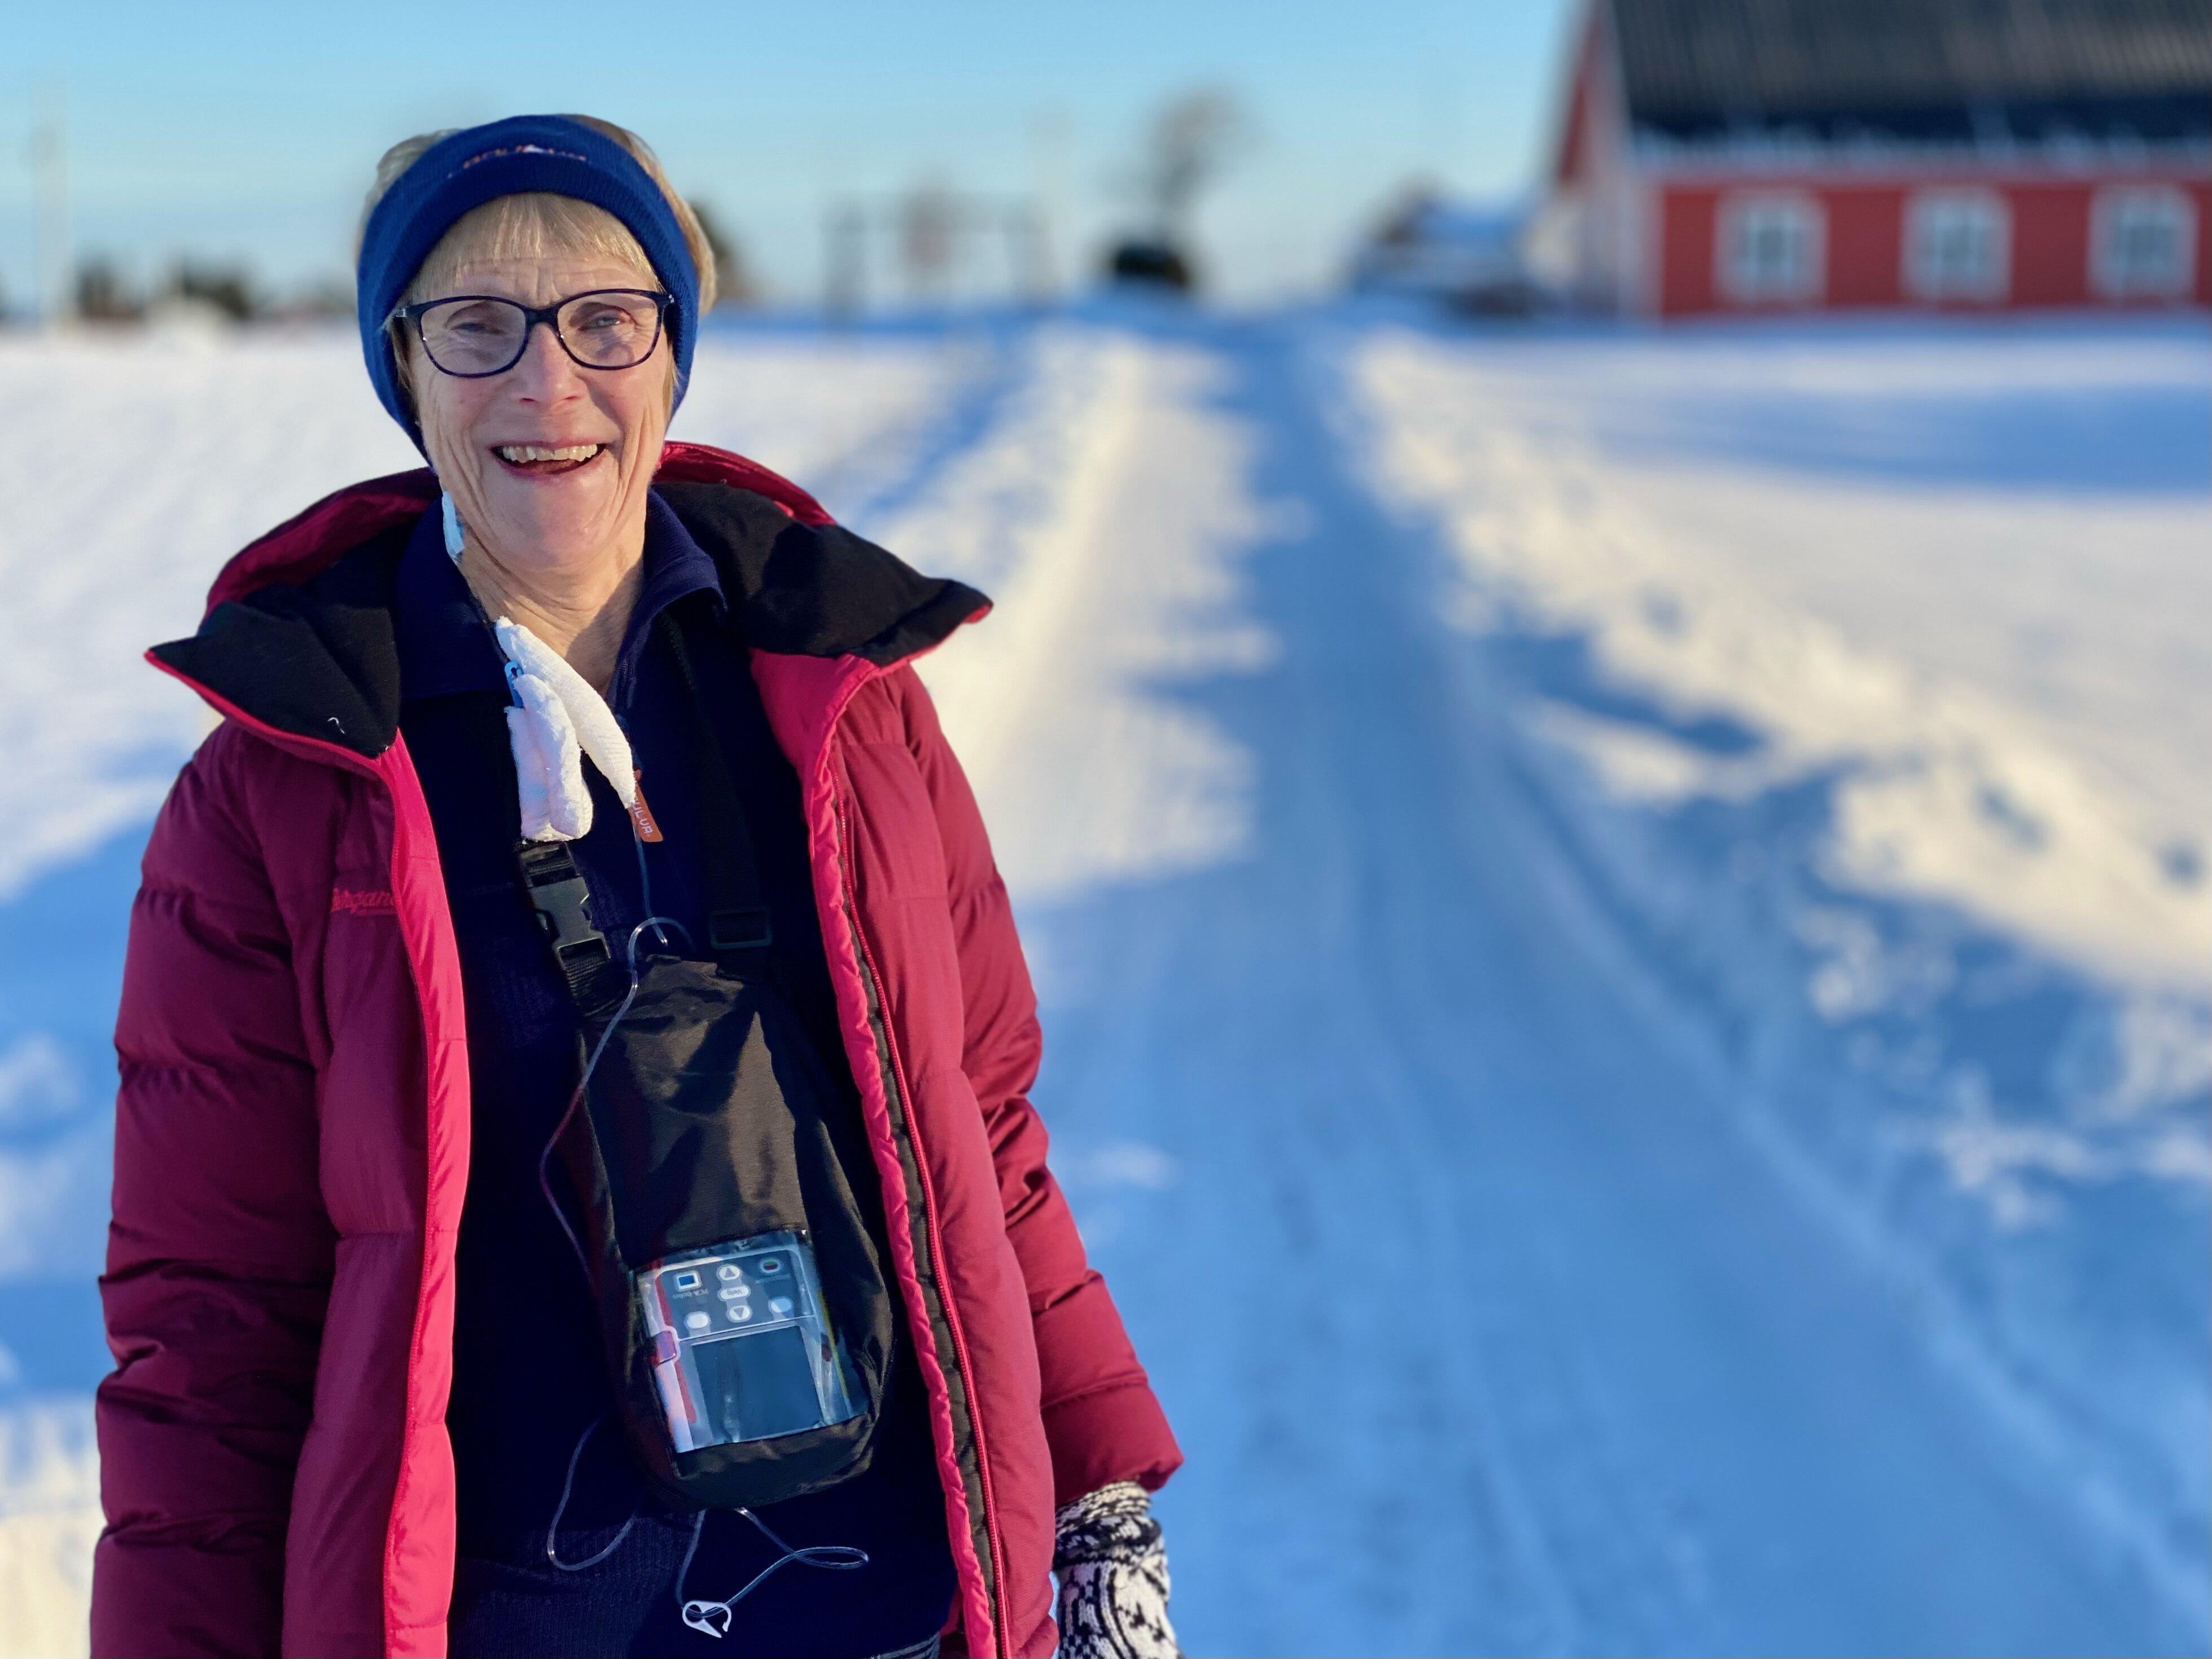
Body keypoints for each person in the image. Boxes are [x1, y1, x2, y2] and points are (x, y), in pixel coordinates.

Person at [90, 113, 1181, 1659]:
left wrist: (1097, 1493)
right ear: (405, 372)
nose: (549, 381)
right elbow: (207, 1318)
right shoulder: (289, 787)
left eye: (608, 318)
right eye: (477, 325)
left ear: (673, 353)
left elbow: (986, 1141)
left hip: (887, 1617)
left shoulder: (846, 714)